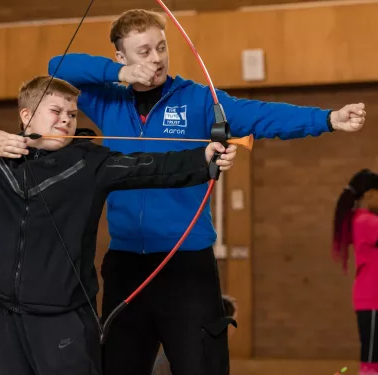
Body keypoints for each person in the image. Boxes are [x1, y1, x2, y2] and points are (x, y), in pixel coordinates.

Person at [47, 8, 367, 375]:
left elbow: (263, 115)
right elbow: (58, 65)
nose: (156, 59)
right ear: (121, 56)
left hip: (187, 264)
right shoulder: (108, 100)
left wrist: (327, 119)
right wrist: (119, 75)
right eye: (144, 51)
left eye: (161, 48)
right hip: (126, 266)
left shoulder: (198, 100)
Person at [0, 75, 236, 375]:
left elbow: (150, 167)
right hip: (5, 318)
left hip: (64, 319)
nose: (66, 119)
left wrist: (204, 158)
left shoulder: (90, 163)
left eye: (72, 114)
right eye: (56, 111)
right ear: (26, 115)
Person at [333, 169, 378, 375]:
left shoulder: (364, 220)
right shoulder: (365, 221)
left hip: (370, 296)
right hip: (372, 298)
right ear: (370, 195)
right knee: (371, 361)